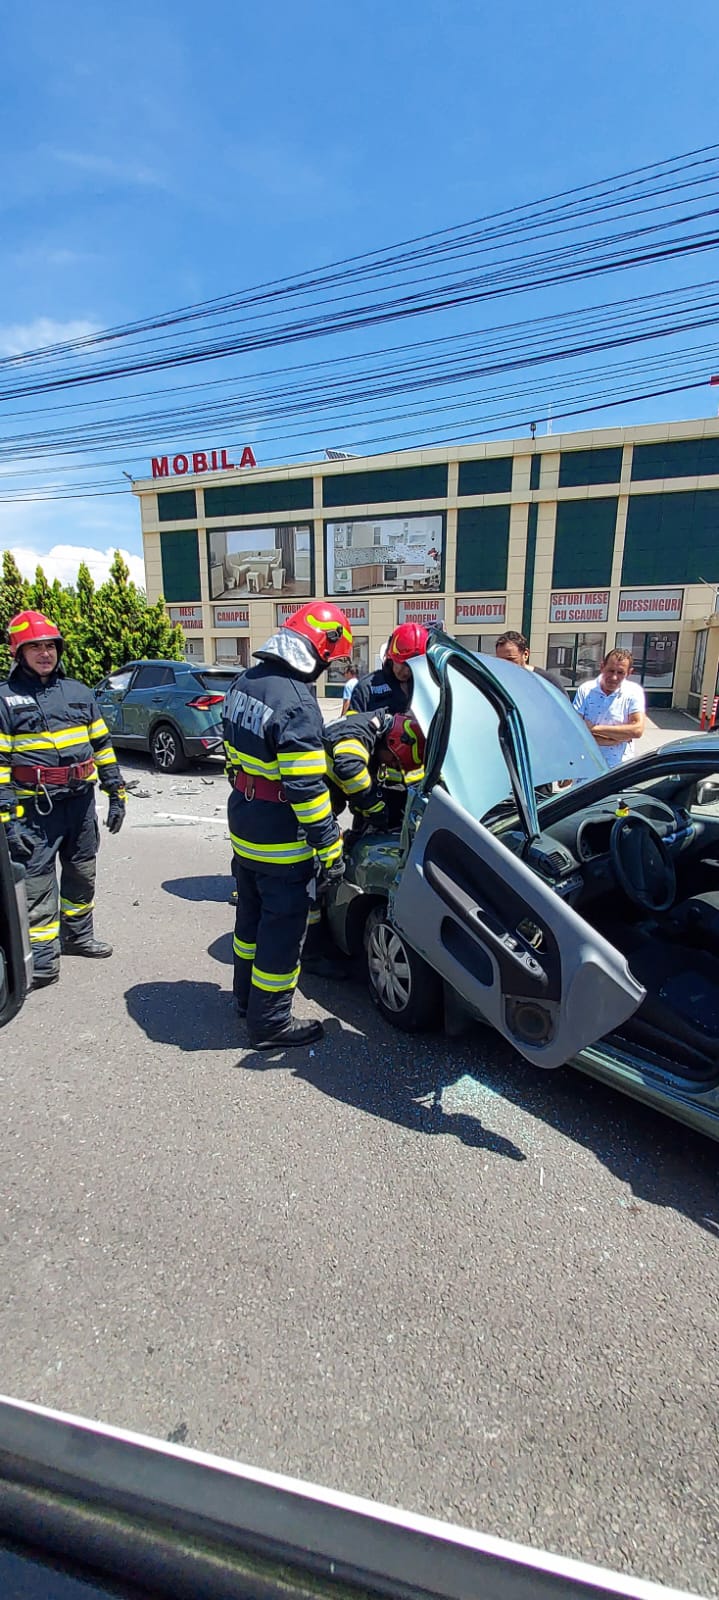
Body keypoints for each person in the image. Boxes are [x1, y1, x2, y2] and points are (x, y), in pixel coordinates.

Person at [222, 600, 352, 1050]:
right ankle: (270, 1022)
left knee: (250, 920)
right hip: (281, 837)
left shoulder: (244, 682)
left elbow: (232, 760)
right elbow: (306, 789)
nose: (324, 670)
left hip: (245, 824)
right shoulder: (297, 702)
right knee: (283, 927)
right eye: (328, 660)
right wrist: (330, 848)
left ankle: (245, 1000)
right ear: (318, 650)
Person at [0, 609, 126, 987]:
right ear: (18, 653)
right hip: (33, 807)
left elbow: (102, 746)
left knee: (82, 874)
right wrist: (6, 819)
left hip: (79, 802)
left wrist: (116, 792)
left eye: (49, 646)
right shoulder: (5, 700)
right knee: (38, 885)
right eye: (34, 647)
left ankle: (78, 936)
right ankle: (42, 959)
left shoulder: (79, 692)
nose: (44, 654)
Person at [324, 708, 426, 833]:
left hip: (324, 790)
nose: (392, 765)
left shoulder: (374, 730)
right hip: (307, 792)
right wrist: (375, 808)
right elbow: (349, 768)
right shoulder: (359, 734)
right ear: (391, 742)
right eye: (395, 761)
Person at [572, 648, 646, 769]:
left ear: (629, 673)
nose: (614, 677)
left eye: (620, 672)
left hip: (619, 770)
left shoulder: (634, 692)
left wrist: (593, 728)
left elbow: (637, 730)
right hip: (587, 767)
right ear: (602, 667)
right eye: (610, 671)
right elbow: (575, 729)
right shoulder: (585, 690)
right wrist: (615, 738)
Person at [349, 622, 429, 714]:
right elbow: (351, 725)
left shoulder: (427, 686)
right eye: (403, 664)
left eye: (412, 665)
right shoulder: (366, 689)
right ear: (391, 657)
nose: (407, 671)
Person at [494, 630, 565, 692]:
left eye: (511, 659)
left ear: (525, 654)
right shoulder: (495, 682)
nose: (505, 665)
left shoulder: (547, 682)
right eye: (500, 661)